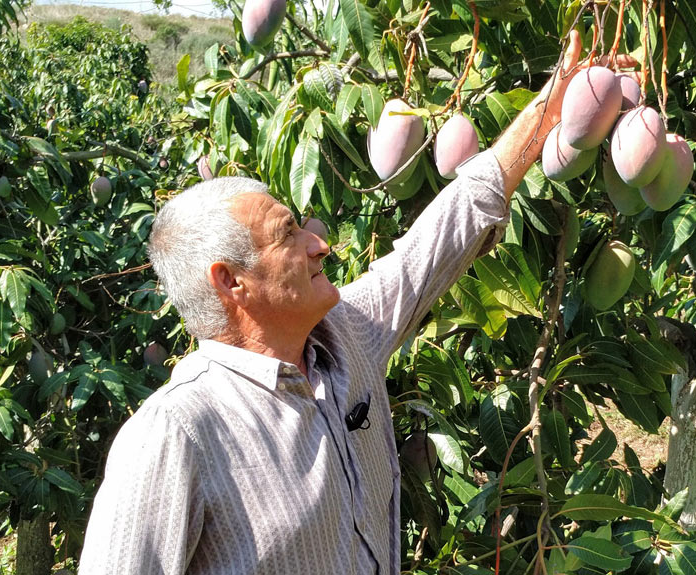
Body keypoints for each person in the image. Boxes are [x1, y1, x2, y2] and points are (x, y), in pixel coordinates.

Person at [79, 31, 628, 574]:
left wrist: (545, 112)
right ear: (232, 282)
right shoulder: (177, 435)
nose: (320, 244)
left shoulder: (345, 336)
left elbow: (439, 241)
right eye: (287, 234)